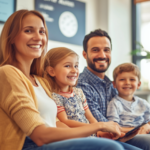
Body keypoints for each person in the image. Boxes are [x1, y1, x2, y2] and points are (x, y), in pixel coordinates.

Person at [0, 9, 140, 150]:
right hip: (30, 146)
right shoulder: (7, 73)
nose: (38, 37)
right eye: (28, 31)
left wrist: (97, 132)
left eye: (42, 32)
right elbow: (40, 135)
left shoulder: (40, 81)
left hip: (54, 141)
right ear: (11, 38)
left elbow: (57, 124)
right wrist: (98, 126)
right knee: (112, 148)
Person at [77, 28, 150, 150]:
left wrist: (146, 126)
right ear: (85, 54)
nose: (102, 55)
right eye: (95, 50)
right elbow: (105, 126)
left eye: (106, 50)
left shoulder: (111, 84)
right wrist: (141, 128)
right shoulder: (82, 86)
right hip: (105, 139)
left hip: (124, 135)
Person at [43, 47, 114, 138]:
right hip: (76, 135)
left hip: (91, 132)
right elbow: (65, 121)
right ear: (52, 71)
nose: (74, 70)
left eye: (76, 66)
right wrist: (93, 127)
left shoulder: (79, 92)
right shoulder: (54, 97)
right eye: (67, 66)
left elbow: (90, 116)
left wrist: (99, 130)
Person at [107, 63, 150, 129]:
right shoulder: (114, 104)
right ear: (114, 84)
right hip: (126, 136)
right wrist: (137, 131)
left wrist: (147, 127)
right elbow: (113, 127)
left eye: (132, 79)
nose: (127, 82)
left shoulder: (143, 103)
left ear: (138, 84)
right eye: (122, 79)